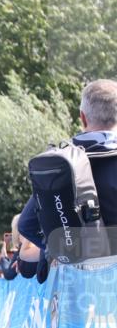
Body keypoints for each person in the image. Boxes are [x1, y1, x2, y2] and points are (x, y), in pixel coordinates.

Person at [18, 79, 117, 252]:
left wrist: (64, 253)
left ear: (83, 117)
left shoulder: (62, 162)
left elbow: (26, 225)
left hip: (78, 274)